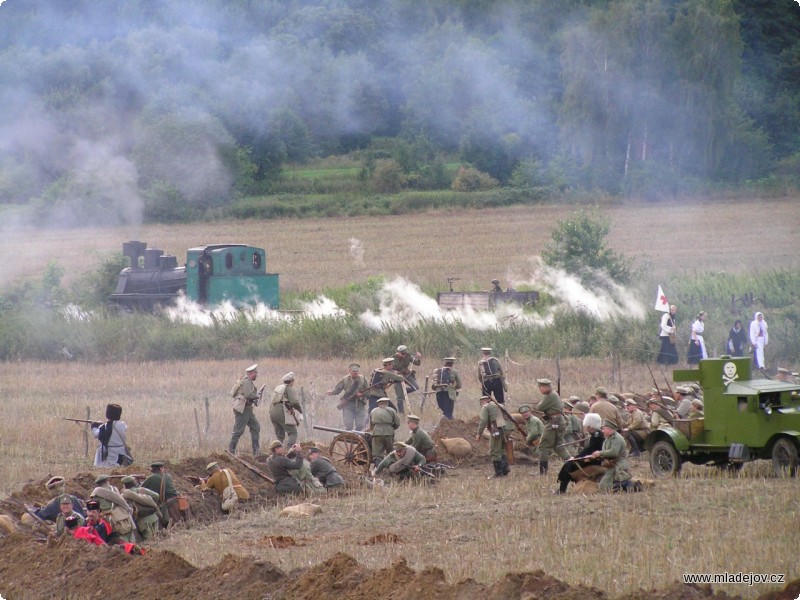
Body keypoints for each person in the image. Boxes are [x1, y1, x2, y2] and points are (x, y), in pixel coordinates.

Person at [556, 413, 606, 494]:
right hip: (591, 458)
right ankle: (562, 488)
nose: (587, 428)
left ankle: (562, 489)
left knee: (568, 465)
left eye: (588, 426)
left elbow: (589, 450)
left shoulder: (597, 435)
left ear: (592, 425)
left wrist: (576, 457)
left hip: (594, 459)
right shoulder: (596, 434)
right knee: (568, 464)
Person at [535, 378, 571, 475]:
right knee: (558, 446)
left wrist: (538, 405)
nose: (539, 389)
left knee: (544, 445)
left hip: (553, 422)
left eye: (540, 387)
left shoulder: (549, 396)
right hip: (559, 421)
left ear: (545, 387)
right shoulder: (554, 394)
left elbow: (540, 407)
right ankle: (571, 464)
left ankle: (543, 471)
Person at [475, 395, 514, 478]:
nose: (481, 404)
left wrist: (479, 434)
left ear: (483, 401)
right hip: (507, 428)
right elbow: (506, 417)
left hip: (497, 430)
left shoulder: (486, 407)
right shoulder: (500, 405)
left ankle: (498, 473)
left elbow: (483, 421)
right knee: (502, 449)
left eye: (481, 402)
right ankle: (505, 469)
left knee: (495, 451)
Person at [590, 420, 633, 492]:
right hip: (611, 465)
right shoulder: (607, 439)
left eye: (603, 429)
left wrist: (599, 453)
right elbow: (605, 453)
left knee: (605, 487)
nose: (602, 431)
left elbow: (614, 453)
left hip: (618, 466)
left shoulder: (617, 438)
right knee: (603, 487)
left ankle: (628, 484)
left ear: (609, 429)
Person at [229, 364, 262, 455]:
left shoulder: (247, 382)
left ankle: (256, 451)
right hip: (242, 409)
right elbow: (248, 395)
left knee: (256, 427)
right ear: (251, 373)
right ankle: (231, 451)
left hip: (247, 409)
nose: (256, 375)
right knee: (238, 431)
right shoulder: (246, 381)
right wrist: (257, 396)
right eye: (255, 373)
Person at [91, 476, 136, 543]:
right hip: (125, 518)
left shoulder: (96, 493)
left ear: (98, 484)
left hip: (112, 520)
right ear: (107, 481)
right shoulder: (114, 489)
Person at [326, 363, 369, 430]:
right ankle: (349, 438)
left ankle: (356, 437)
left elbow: (368, 392)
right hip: (348, 405)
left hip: (360, 405)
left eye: (357, 371)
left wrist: (362, 395)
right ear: (349, 371)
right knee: (348, 424)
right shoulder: (345, 379)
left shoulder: (363, 379)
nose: (355, 373)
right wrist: (332, 392)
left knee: (360, 424)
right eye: (354, 371)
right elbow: (338, 389)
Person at [91, 403, 132, 468]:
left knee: (109, 469)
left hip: (110, 454)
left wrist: (94, 427)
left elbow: (97, 434)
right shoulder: (123, 425)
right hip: (121, 452)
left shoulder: (105, 427)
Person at [120, 476, 162, 540]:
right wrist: (151, 503)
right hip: (153, 517)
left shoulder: (124, 496)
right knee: (157, 537)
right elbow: (156, 496)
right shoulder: (142, 490)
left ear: (124, 485)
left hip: (142, 522)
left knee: (149, 541)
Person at [141, 461, 181, 526]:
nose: (164, 469)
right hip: (173, 500)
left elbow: (140, 488)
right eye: (163, 468)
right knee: (175, 521)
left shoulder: (151, 478)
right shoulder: (167, 476)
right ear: (160, 469)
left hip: (166, 502)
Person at [269, 372, 303, 447]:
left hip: (272, 411)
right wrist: (300, 411)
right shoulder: (288, 388)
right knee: (293, 432)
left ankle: (276, 452)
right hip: (281, 411)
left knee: (280, 435)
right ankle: (290, 452)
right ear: (292, 381)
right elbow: (294, 402)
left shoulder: (278, 387)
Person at [369, 397, 401, 466]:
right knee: (391, 452)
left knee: (377, 454)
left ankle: (378, 468)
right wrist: (391, 428)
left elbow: (371, 426)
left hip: (377, 433)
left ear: (378, 404)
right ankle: (391, 467)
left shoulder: (373, 411)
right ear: (387, 403)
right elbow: (397, 424)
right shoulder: (392, 410)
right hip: (389, 433)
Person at [392, 345, 422, 413]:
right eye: (402, 353)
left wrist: (418, 357)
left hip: (406, 375)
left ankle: (403, 392)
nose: (404, 355)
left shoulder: (408, 356)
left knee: (415, 387)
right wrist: (393, 371)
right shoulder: (393, 358)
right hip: (398, 378)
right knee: (400, 398)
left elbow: (417, 363)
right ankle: (401, 414)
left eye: (405, 353)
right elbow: (388, 367)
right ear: (398, 352)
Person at [519, 404, 544, 472]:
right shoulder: (528, 420)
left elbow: (534, 433)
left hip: (541, 440)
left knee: (537, 455)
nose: (525, 414)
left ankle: (542, 470)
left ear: (530, 412)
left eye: (526, 412)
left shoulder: (533, 420)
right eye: (523, 413)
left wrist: (527, 440)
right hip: (537, 440)